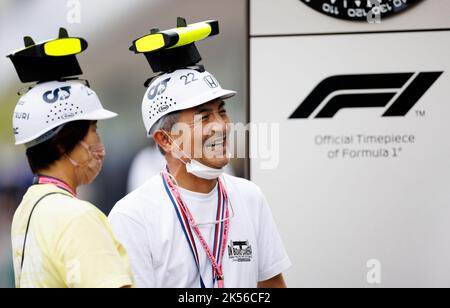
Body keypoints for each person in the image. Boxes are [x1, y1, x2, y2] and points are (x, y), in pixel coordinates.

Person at [109, 65, 291, 288]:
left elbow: (271, 284)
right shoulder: (132, 216)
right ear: (166, 140)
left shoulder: (249, 196)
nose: (222, 126)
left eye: (222, 111)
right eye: (204, 117)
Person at [8, 29, 134, 288]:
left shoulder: (28, 208)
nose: (99, 143)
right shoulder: (77, 217)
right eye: (94, 130)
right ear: (65, 143)